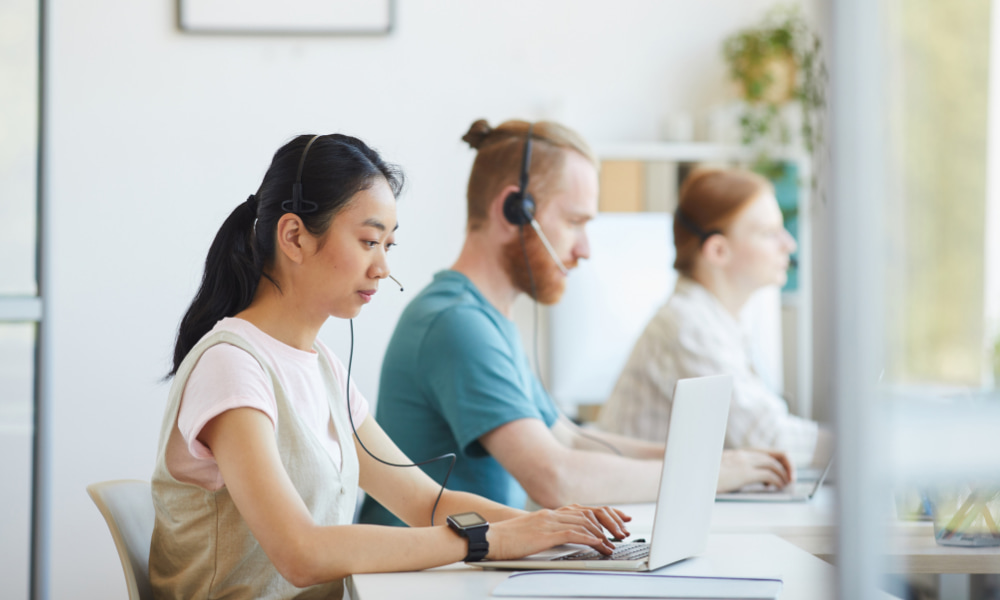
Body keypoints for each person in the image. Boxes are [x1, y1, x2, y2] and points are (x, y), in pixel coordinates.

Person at [149, 133, 631, 600]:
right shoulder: (231, 365)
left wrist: (545, 530)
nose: (383, 267)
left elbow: (425, 502)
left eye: (388, 246)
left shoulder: (323, 369)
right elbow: (301, 553)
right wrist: (490, 540)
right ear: (294, 236)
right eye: (368, 241)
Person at [359, 120, 793, 528]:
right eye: (574, 223)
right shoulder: (456, 323)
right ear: (514, 210)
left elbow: (568, 438)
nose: (584, 249)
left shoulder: (488, 318)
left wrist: (704, 459)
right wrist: (712, 472)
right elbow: (554, 476)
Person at [597, 167, 833, 468]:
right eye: (768, 233)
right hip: (635, 510)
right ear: (718, 251)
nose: (788, 244)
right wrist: (862, 443)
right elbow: (769, 439)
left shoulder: (719, 318)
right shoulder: (687, 325)